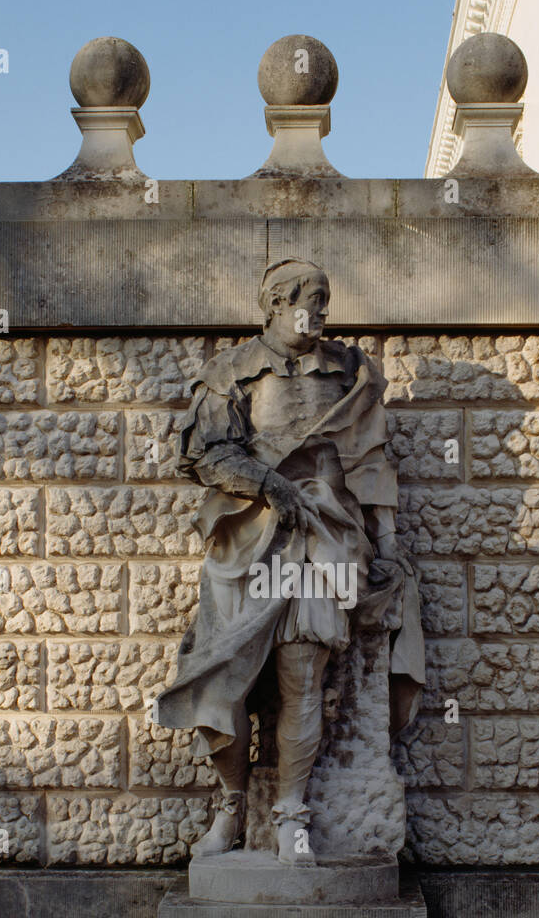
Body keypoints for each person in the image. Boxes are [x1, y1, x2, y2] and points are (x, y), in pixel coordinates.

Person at [153, 259, 424, 864]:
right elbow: (204, 453)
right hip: (250, 541)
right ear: (274, 302)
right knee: (218, 682)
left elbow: (373, 466)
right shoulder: (232, 371)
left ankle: (291, 816)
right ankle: (231, 806)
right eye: (311, 298)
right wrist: (268, 484)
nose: (322, 309)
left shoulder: (350, 372)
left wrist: (386, 546)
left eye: (326, 298)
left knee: (303, 682)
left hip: (323, 542)